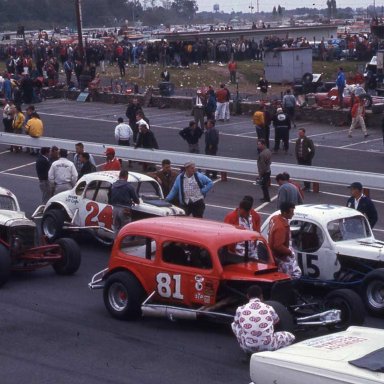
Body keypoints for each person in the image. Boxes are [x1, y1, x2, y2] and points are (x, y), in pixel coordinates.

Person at [232, 285, 295, 354]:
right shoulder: (269, 308)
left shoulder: (240, 309)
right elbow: (277, 322)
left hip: (248, 347)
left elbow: (237, 323)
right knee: (291, 336)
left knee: (234, 325)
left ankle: (247, 349)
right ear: (261, 296)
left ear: (247, 296)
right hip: (269, 346)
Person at [268, 202, 302, 279]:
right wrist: (289, 252)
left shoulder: (274, 218)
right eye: (291, 212)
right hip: (280, 257)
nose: (293, 214)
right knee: (295, 274)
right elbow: (278, 246)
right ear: (284, 212)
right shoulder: (281, 227)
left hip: (273, 255)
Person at [110, 169, 140, 234]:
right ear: (126, 176)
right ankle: (125, 243)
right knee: (126, 228)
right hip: (125, 209)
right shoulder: (129, 186)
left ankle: (116, 242)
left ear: (119, 176)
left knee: (116, 228)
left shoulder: (113, 185)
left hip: (115, 209)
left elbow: (109, 196)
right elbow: (136, 200)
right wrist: (135, 201)